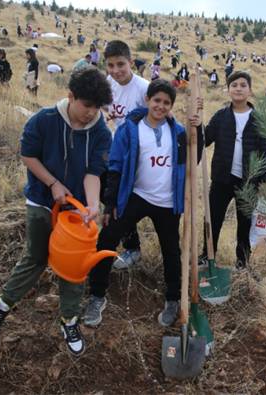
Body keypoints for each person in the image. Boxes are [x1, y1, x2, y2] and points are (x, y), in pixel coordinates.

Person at [0, 68, 113, 356]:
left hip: (75, 211)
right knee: (36, 257)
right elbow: (27, 155)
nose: (91, 113)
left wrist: (92, 205)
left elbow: (94, 173)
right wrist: (52, 182)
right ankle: (2, 305)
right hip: (42, 200)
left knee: (74, 268)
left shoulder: (102, 132)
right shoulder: (45, 120)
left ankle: (69, 320)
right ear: (71, 96)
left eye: (97, 107)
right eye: (86, 105)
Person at [85, 79, 203, 327]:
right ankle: (96, 295)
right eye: (157, 100)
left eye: (166, 103)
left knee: (171, 251)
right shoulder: (130, 128)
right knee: (107, 238)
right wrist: (111, 202)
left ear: (171, 106)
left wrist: (199, 130)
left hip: (168, 202)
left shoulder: (180, 132)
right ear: (148, 100)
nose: (160, 106)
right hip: (136, 195)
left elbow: (195, 157)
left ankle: (173, 300)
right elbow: (115, 166)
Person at [201, 71, 266, 270]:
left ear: (250, 90)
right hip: (222, 179)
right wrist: (197, 125)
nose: (238, 88)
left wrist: (264, 180)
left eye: (242, 85)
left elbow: (265, 154)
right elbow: (205, 140)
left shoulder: (259, 119)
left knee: (245, 224)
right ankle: (207, 255)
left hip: (249, 182)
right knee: (213, 219)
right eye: (234, 85)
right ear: (228, 89)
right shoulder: (221, 116)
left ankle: (242, 262)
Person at [101, 40, 150, 270]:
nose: (115, 71)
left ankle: (133, 248)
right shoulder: (108, 83)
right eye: (110, 65)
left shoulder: (143, 88)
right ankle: (129, 244)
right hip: (114, 151)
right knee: (112, 197)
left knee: (128, 201)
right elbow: (103, 108)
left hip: (138, 154)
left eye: (120, 64)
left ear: (131, 62)